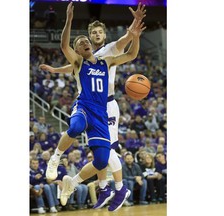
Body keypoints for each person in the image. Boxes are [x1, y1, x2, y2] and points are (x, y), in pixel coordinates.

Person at [39, 2, 146, 211]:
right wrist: (69, 20)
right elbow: (64, 47)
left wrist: (135, 36)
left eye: (85, 40)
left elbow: (131, 55)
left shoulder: (105, 61)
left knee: (101, 161)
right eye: (80, 42)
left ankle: (74, 182)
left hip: (102, 112)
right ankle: (55, 157)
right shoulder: (80, 63)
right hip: (84, 106)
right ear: (77, 50)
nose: (84, 42)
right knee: (76, 127)